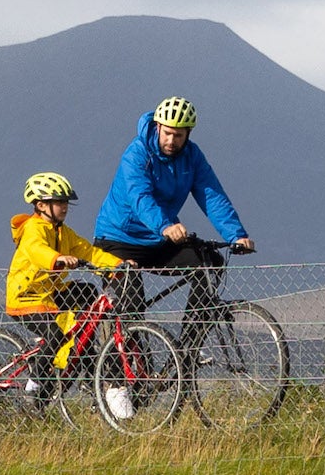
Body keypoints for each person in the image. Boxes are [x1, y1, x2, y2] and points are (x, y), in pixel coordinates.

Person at [91, 97, 255, 338]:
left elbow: (212, 196)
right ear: (157, 126)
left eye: (178, 135)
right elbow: (140, 197)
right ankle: (122, 372)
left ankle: (186, 351)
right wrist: (165, 225)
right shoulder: (137, 153)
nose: (171, 140)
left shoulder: (192, 156)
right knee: (131, 306)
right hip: (118, 240)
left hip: (156, 241)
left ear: (188, 134)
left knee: (209, 263)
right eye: (167, 133)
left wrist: (237, 235)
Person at [7, 172, 134, 420]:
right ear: (41, 206)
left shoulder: (64, 232)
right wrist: (57, 259)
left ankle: (83, 356)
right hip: (27, 298)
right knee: (54, 332)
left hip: (50, 294)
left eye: (66, 202)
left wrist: (118, 264)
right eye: (58, 202)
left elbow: (89, 251)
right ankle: (32, 388)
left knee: (87, 292)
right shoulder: (33, 229)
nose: (64, 207)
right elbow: (37, 250)